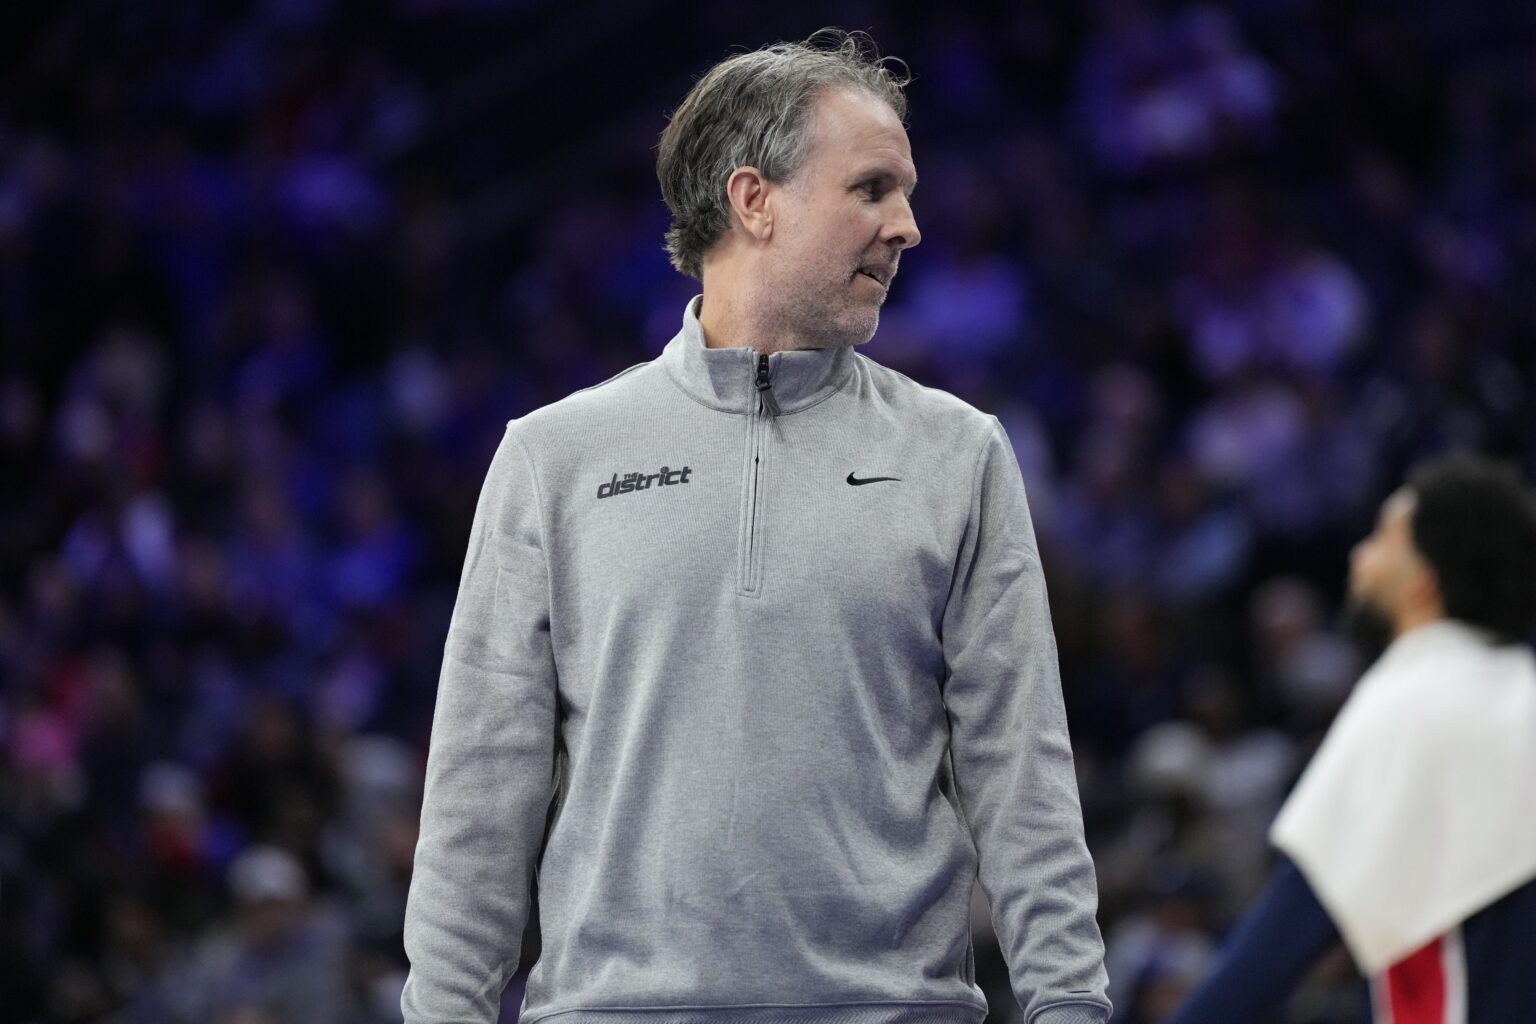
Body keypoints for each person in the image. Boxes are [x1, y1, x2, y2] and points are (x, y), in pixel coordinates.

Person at [400, 27, 1111, 1024]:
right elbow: (480, 801)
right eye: (871, 189)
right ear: (754, 201)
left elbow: (1022, 774)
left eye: (906, 192)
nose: (907, 225)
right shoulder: (554, 458)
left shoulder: (960, 454)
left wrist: (1071, 1006)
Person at [1166, 456, 1536, 1024]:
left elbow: (1278, 942)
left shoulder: (1408, 702)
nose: (1357, 556)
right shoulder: (1520, 690)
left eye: (1382, 537)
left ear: (1424, 581)